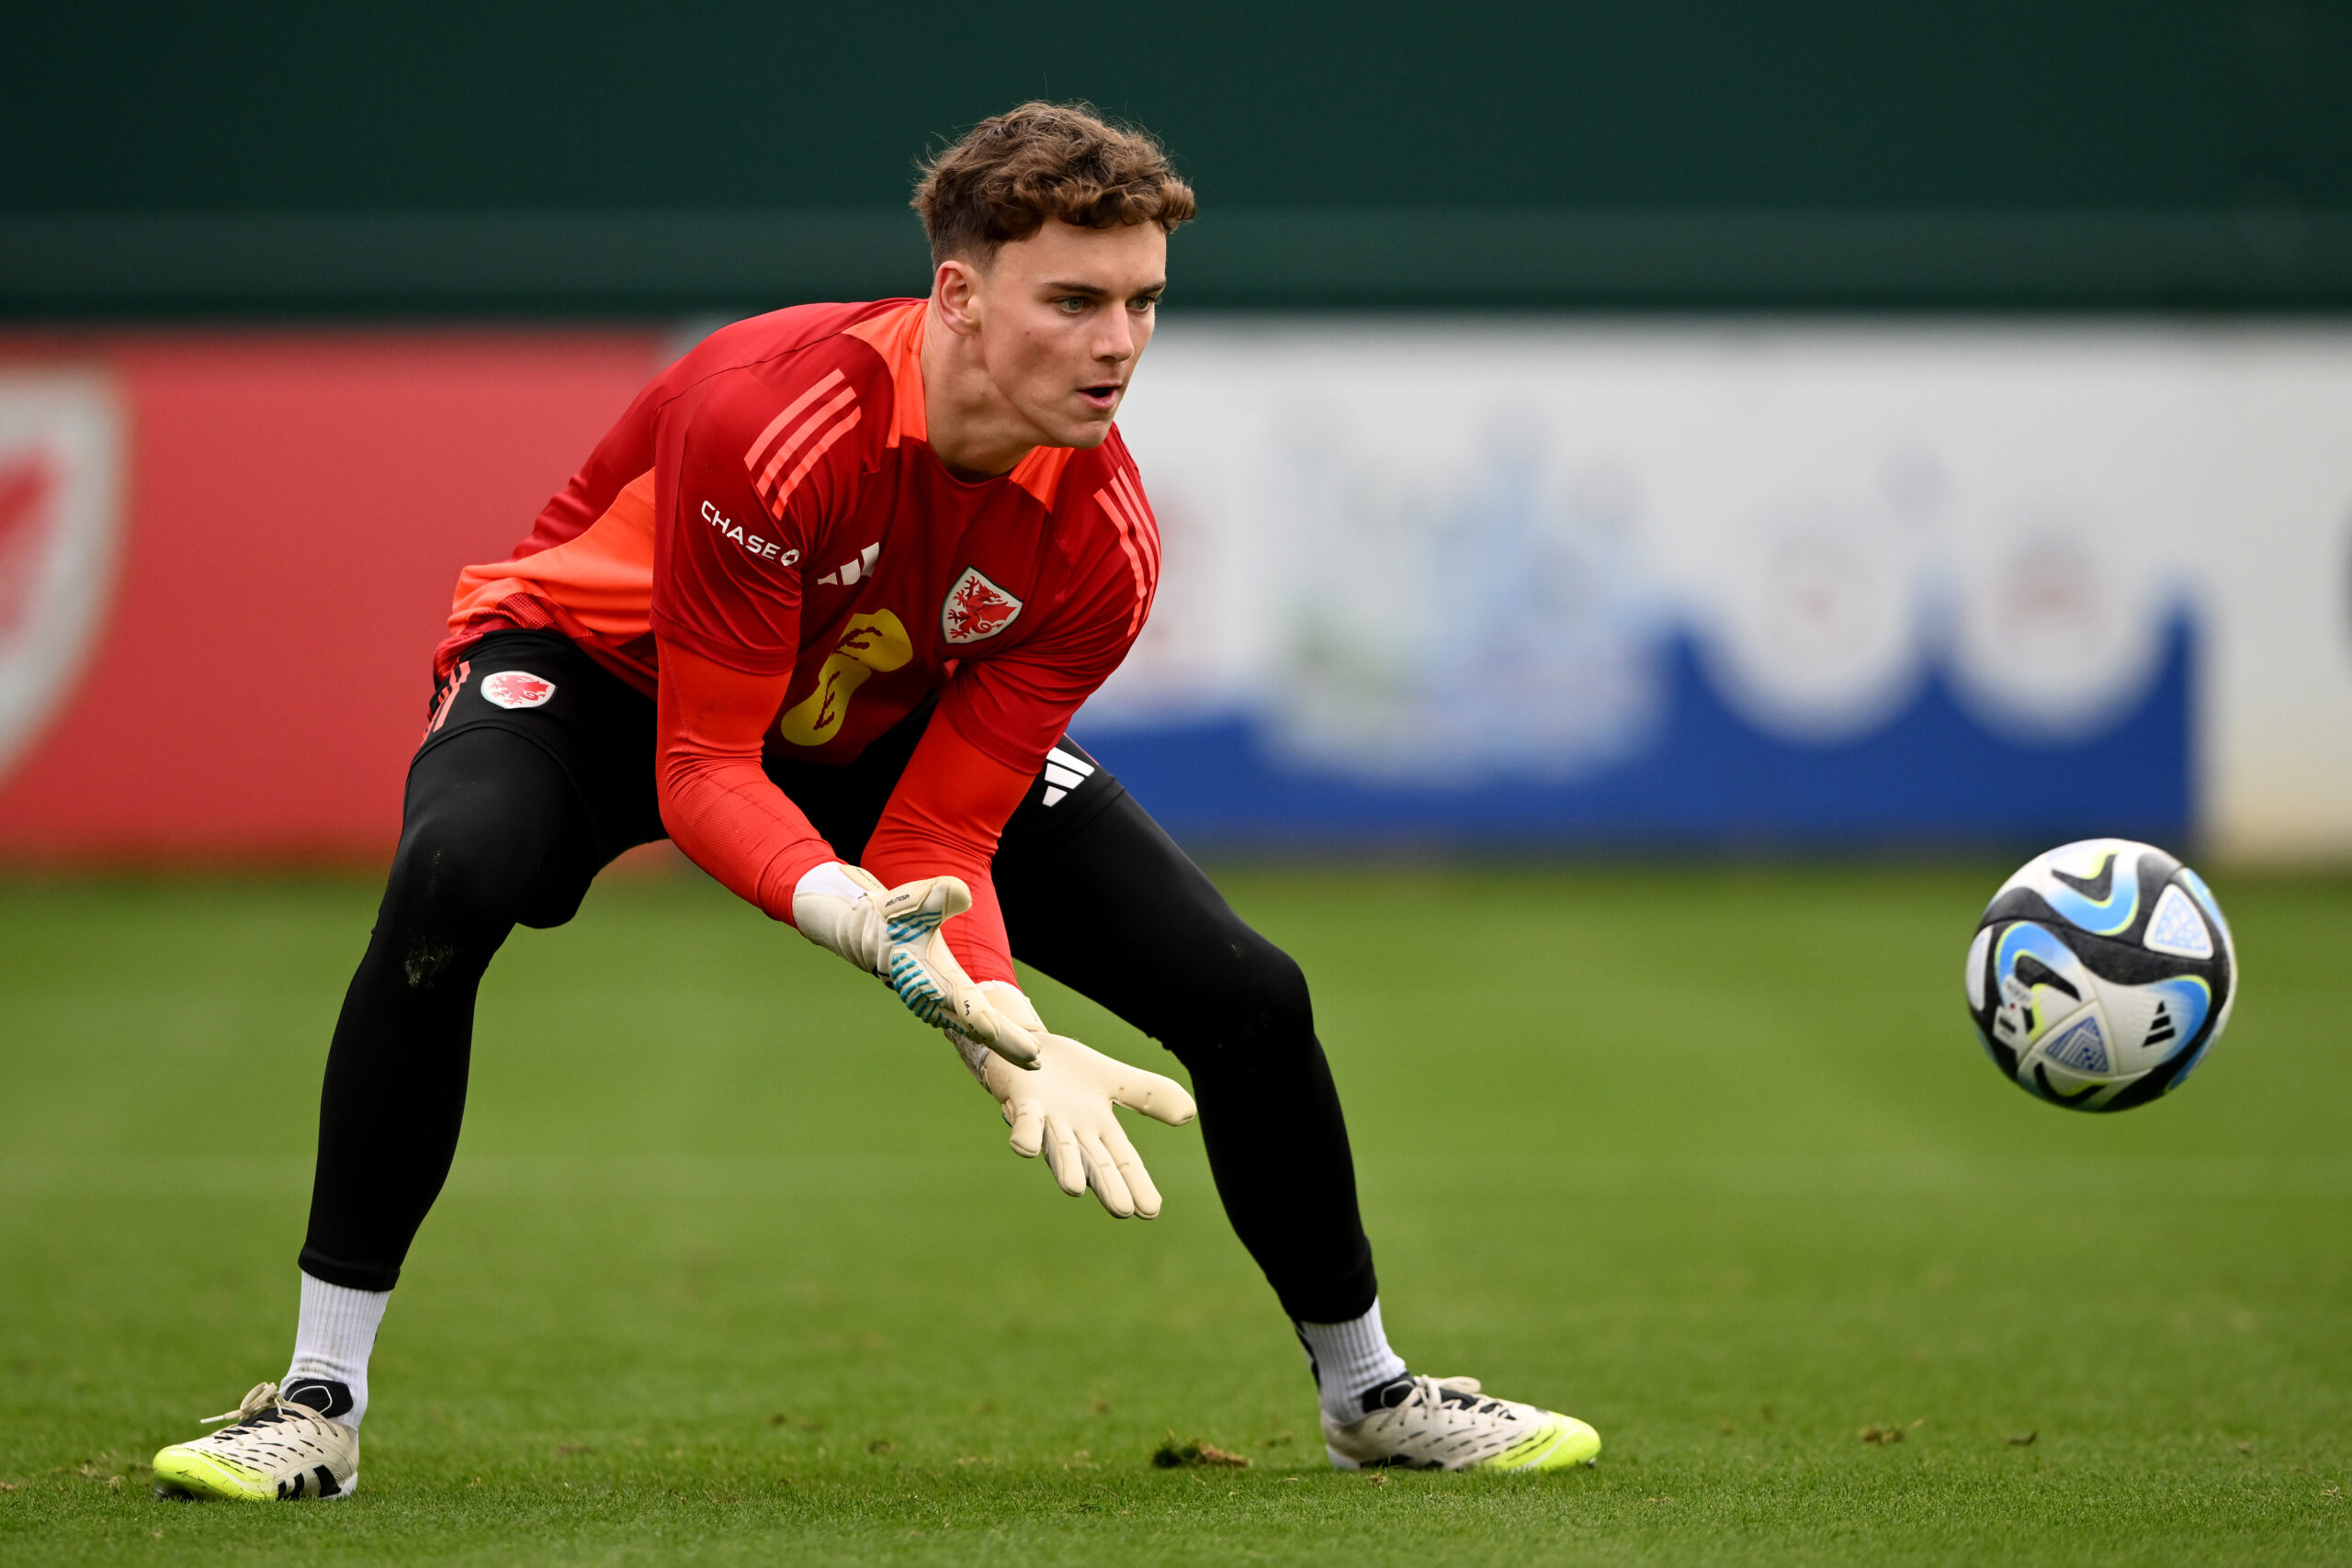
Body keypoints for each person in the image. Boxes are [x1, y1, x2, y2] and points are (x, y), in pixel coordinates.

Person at [152, 102, 1601, 1500]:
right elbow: (705, 765)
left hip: (863, 717)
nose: (1119, 343)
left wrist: (999, 1029)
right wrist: (861, 924)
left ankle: (1371, 1397)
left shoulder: (1104, 544)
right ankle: (318, 1403)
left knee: (1250, 993)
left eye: (1144, 302)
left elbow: (937, 839)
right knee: (452, 878)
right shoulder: (771, 411)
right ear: (958, 296)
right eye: (1075, 301)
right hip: (608, 677)